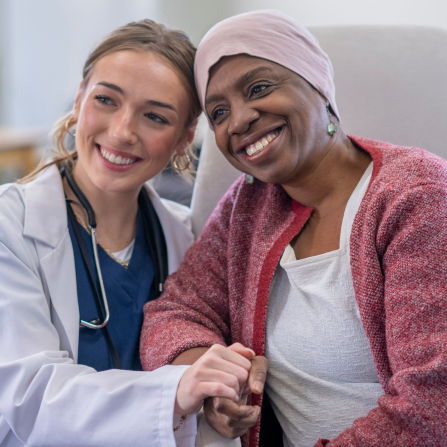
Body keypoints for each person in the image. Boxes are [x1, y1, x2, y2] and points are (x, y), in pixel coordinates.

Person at [140, 10, 447, 447]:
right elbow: (176, 311)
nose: (239, 120)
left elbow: (433, 405)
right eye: (219, 112)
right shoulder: (247, 206)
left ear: (318, 84)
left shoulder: (417, 197)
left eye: (259, 88)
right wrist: (212, 377)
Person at [0, 19, 257, 447]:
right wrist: (176, 391)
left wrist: (221, 403)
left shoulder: (188, 240)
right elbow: (25, 398)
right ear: (80, 98)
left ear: (184, 138)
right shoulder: (9, 226)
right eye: (106, 100)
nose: (122, 132)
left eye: (155, 116)